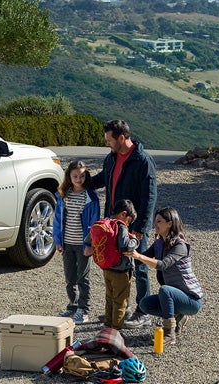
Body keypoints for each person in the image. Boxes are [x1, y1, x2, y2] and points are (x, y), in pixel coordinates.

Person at [89, 120, 157, 329]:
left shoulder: (142, 161)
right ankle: (121, 307)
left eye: (109, 140)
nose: (107, 143)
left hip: (133, 226)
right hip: (114, 225)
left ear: (121, 137)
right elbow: (103, 178)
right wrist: (81, 181)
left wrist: (140, 229)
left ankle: (143, 312)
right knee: (116, 266)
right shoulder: (112, 157)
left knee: (139, 267)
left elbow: (149, 197)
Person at [124, 207, 203, 345]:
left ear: (170, 223)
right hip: (175, 296)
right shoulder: (159, 243)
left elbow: (162, 265)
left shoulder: (180, 246)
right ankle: (178, 317)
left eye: (159, 221)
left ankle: (169, 334)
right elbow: (139, 260)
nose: (155, 224)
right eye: (155, 221)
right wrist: (129, 246)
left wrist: (138, 256)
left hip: (191, 300)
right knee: (145, 304)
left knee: (165, 290)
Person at [53, 160, 100, 324]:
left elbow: (95, 223)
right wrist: (57, 241)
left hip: (83, 245)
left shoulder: (90, 197)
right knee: (70, 278)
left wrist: (90, 244)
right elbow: (57, 220)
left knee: (83, 278)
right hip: (67, 243)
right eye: (75, 176)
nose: (79, 179)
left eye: (82, 176)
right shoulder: (63, 195)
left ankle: (83, 309)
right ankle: (72, 306)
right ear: (69, 176)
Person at [85, 199, 139, 330]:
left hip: (107, 268)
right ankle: (115, 331)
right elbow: (125, 246)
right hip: (121, 271)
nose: (128, 224)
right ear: (123, 214)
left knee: (109, 299)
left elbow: (88, 240)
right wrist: (135, 240)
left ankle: (107, 327)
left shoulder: (103, 223)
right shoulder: (121, 226)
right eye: (129, 221)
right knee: (120, 301)